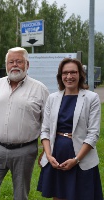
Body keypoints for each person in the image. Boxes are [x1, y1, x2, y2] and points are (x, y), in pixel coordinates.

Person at [0, 47, 49, 199]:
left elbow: (47, 122)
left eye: (19, 61)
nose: (14, 65)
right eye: (11, 62)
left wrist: (46, 149)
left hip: (25, 151)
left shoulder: (40, 89)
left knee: (20, 195)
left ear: (27, 65)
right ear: (6, 65)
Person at [37, 58, 103, 200]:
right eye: (65, 73)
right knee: (58, 196)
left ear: (80, 74)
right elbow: (45, 131)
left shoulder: (92, 98)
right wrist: (48, 156)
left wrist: (76, 159)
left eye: (73, 72)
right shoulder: (52, 98)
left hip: (81, 158)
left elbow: (93, 134)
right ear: (60, 76)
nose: (69, 76)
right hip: (56, 155)